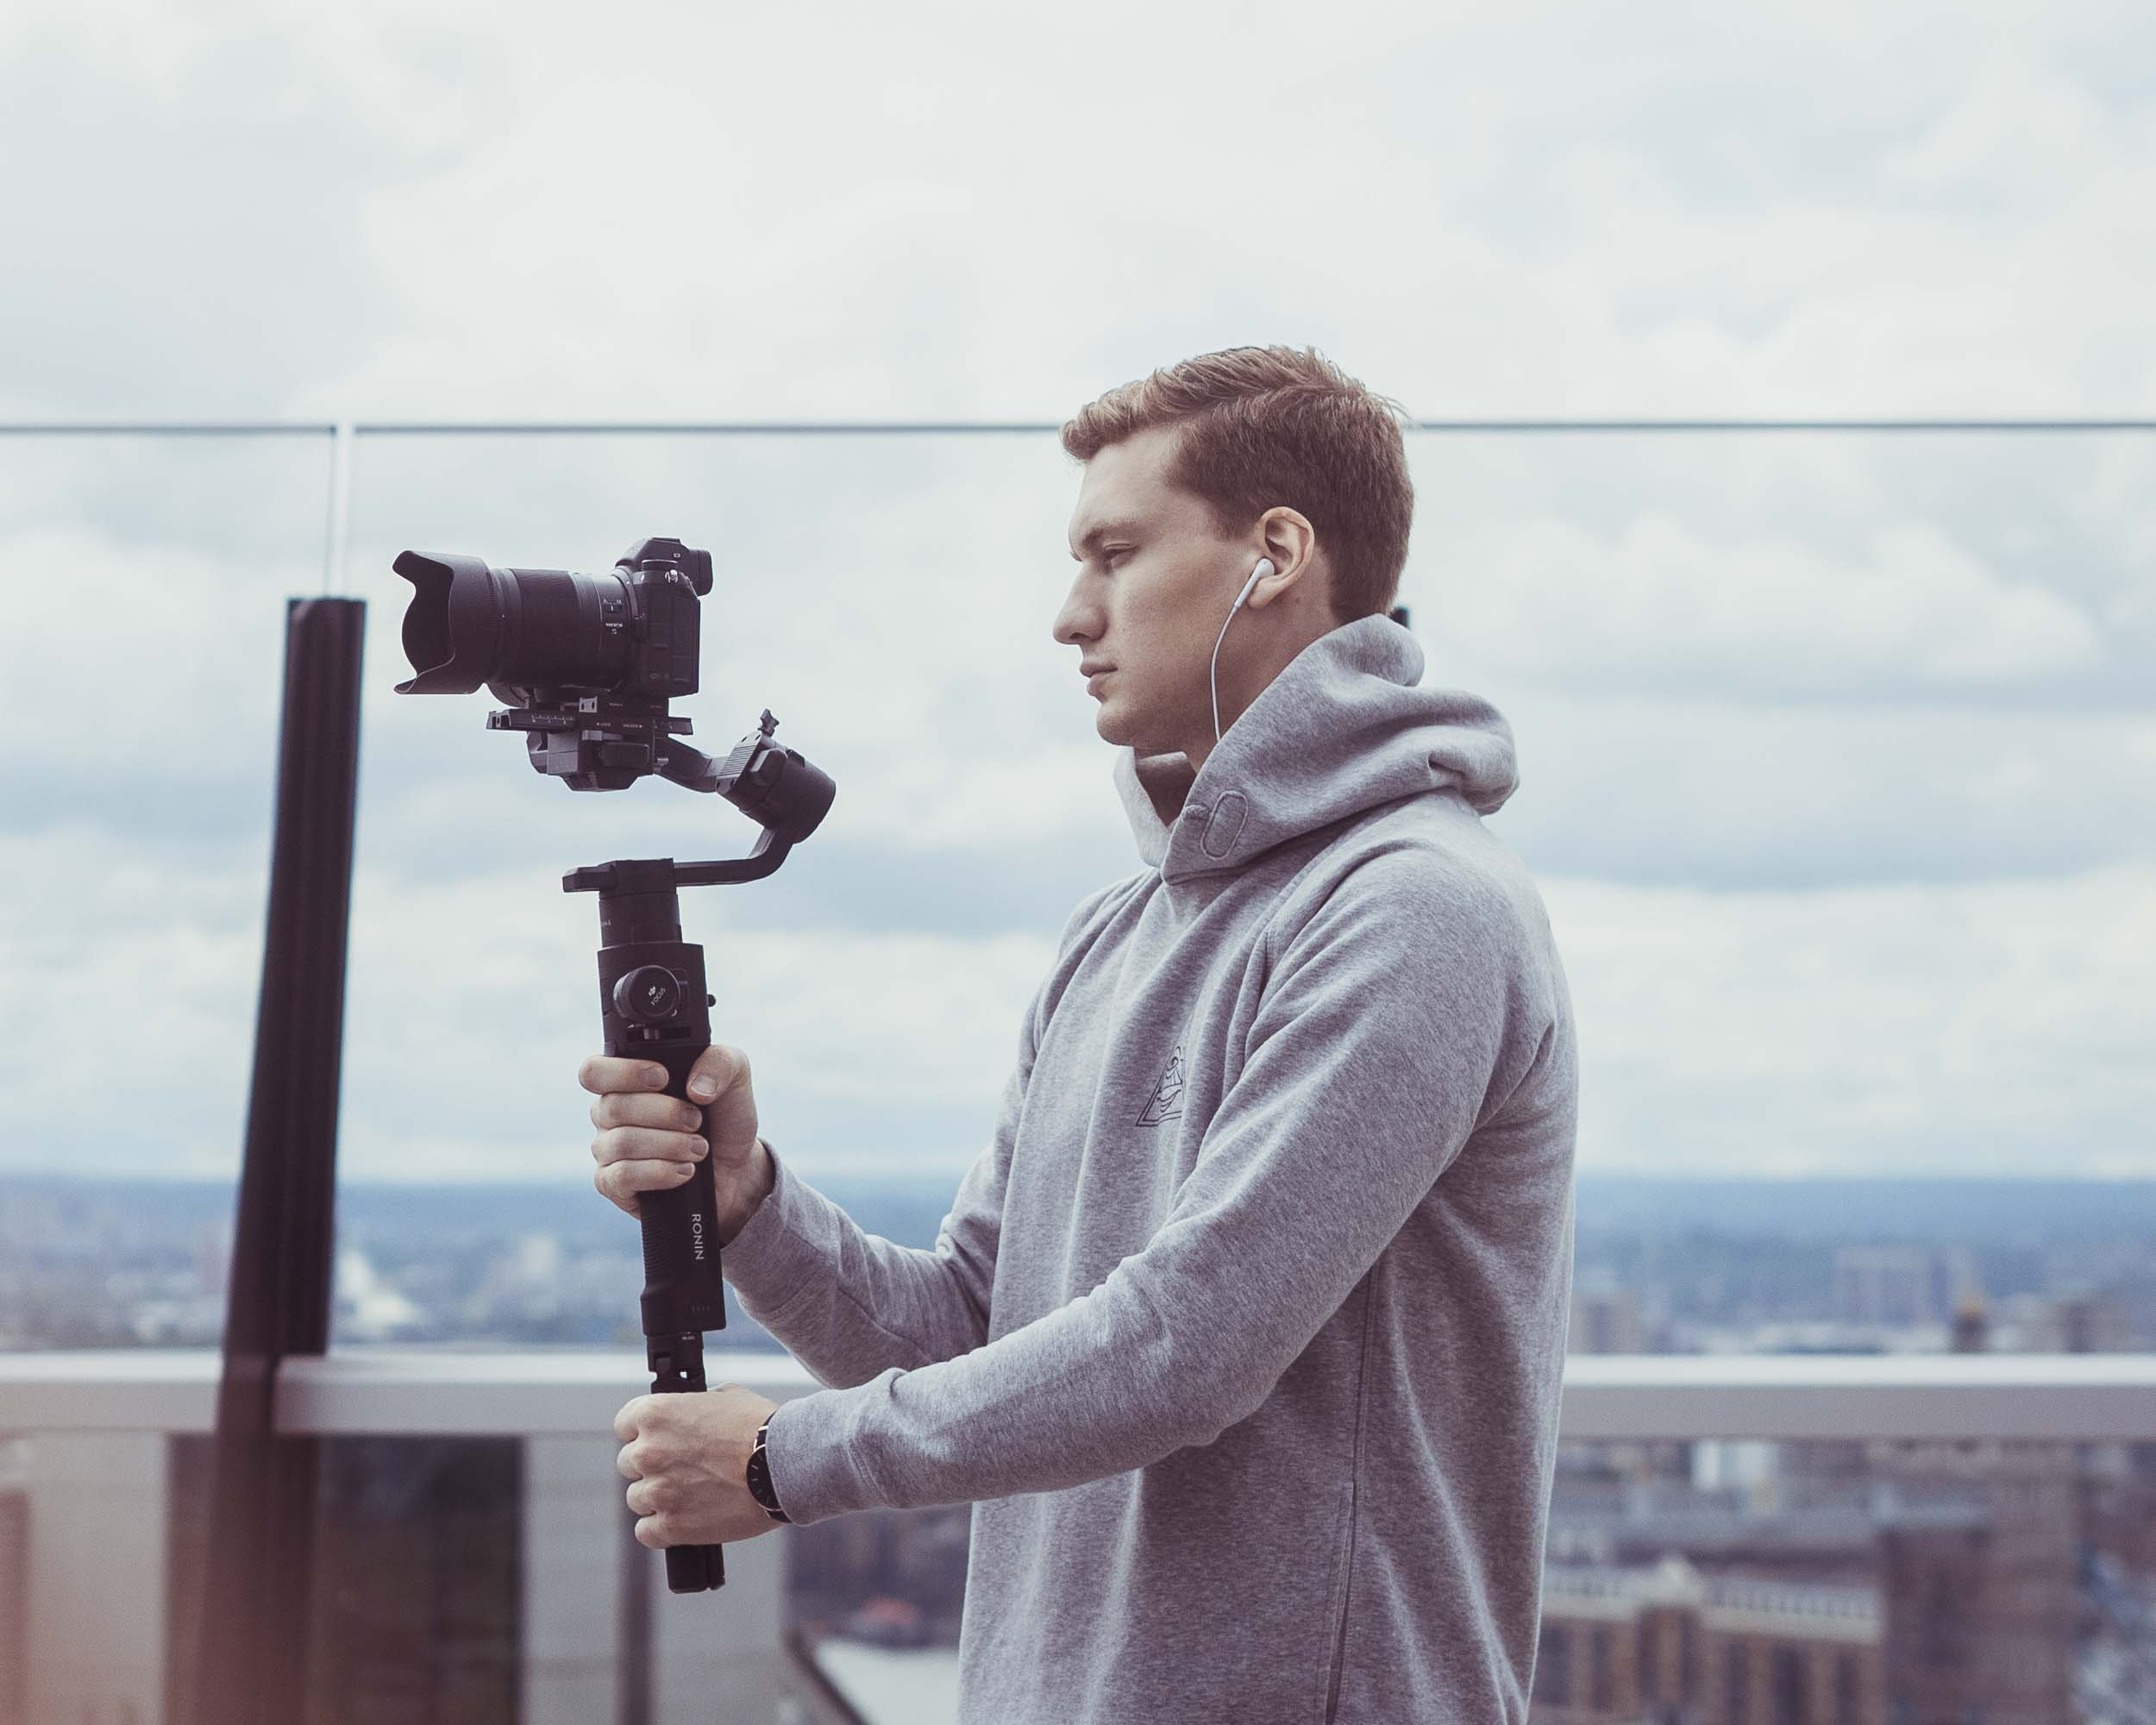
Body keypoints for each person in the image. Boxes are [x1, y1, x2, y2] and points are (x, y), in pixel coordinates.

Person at [585, 344, 1578, 1723]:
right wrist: (749, 1203)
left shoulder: (1417, 908)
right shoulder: (1117, 933)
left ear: (1273, 554)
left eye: (1114, 554)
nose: (1071, 615)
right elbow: (967, 1338)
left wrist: (780, 1463)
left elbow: (1191, 1346)